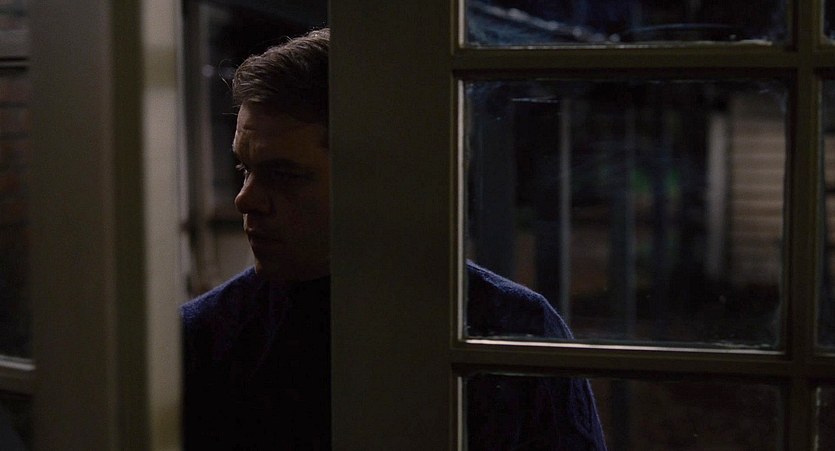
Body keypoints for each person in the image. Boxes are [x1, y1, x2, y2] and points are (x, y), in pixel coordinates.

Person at [181, 27, 607, 450]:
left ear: (372, 179)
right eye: (244, 169)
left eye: (284, 175)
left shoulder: (512, 329)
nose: (245, 199)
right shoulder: (205, 337)